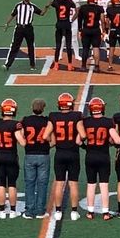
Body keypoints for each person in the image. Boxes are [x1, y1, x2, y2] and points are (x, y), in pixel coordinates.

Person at [47, 92, 83, 221]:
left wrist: (54, 139)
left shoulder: (54, 116)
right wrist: (77, 141)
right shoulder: (76, 116)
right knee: (73, 183)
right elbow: (83, 134)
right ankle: (74, 212)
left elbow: (46, 135)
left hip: (60, 153)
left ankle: (58, 212)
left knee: (59, 183)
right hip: (73, 153)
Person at [78, 97, 115, 220]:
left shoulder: (86, 122)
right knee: (104, 185)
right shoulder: (108, 122)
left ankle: (90, 212)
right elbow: (117, 140)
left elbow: (78, 141)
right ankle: (105, 212)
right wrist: (108, 143)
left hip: (90, 155)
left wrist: (85, 147)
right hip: (104, 155)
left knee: (91, 184)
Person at [0, 99, 22, 218]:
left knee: (1, 184)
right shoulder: (16, 124)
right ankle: (13, 211)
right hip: (11, 155)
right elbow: (21, 141)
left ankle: (2, 210)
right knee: (12, 184)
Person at [21, 99, 51, 219]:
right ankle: (40, 210)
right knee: (42, 184)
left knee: (29, 183)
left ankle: (29, 210)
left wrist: (26, 144)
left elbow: (22, 135)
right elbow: (51, 138)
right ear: (43, 108)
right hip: (43, 154)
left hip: (29, 154)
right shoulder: (47, 121)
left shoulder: (26, 120)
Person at [3, 0, 44, 71]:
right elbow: (13, 15)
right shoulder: (18, 5)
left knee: (31, 47)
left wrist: (46, 7)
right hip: (19, 28)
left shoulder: (32, 6)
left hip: (28, 28)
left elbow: (41, 13)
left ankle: (32, 65)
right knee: (14, 46)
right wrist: (7, 23)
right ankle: (7, 64)